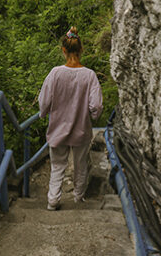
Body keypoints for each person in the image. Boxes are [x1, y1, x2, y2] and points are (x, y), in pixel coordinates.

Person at [38, 26, 103, 211]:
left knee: (57, 165)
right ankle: (78, 198)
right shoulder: (89, 76)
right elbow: (96, 105)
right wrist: (93, 117)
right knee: (81, 165)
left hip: (58, 128)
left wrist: (44, 114)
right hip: (81, 129)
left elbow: (44, 101)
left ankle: (53, 200)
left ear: (63, 50)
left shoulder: (55, 73)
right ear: (81, 50)